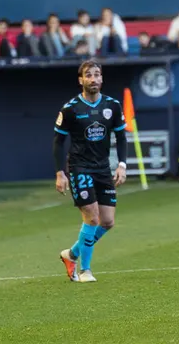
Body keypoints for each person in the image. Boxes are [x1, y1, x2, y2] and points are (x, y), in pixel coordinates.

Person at [54, 61, 128, 283]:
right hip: (79, 167)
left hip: (103, 168)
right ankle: (85, 270)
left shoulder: (112, 106)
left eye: (97, 75)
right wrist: (60, 173)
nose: (94, 79)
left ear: (102, 79)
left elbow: (122, 137)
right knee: (92, 218)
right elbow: (58, 142)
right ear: (81, 80)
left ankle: (71, 254)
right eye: (89, 75)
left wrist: (122, 165)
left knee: (107, 222)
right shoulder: (70, 109)